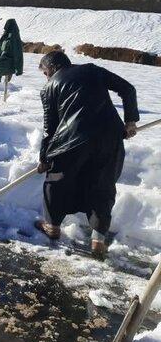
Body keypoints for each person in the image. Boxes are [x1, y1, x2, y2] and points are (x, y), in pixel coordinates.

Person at [34, 50, 138, 256]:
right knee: (103, 184)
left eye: (46, 72)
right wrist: (130, 121)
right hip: (109, 137)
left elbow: (50, 128)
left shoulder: (49, 88)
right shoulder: (92, 70)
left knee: (56, 180)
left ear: (52, 68)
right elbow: (128, 89)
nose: (47, 77)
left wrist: (45, 158)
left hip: (71, 141)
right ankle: (98, 240)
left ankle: (52, 227)